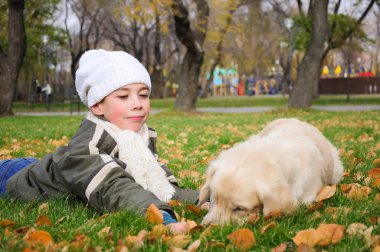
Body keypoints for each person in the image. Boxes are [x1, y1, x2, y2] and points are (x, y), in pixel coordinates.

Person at [0, 49, 204, 231]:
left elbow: (164, 187)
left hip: (45, 165)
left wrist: (207, 200)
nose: (137, 104)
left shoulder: (137, 138)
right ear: (97, 106)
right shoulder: (85, 148)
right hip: (17, 175)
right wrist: (162, 218)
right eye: (123, 97)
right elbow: (114, 188)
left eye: (143, 95)